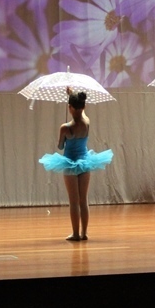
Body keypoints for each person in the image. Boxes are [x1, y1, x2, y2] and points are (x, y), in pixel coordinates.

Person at [39, 89, 113, 241]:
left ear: (69, 108)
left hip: (69, 164)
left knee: (73, 201)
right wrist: (72, 94)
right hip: (85, 163)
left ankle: (75, 233)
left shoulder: (65, 128)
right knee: (83, 200)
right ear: (83, 106)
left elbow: (60, 146)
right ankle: (84, 233)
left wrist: (64, 139)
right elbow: (82, 113)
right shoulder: (87, 122)